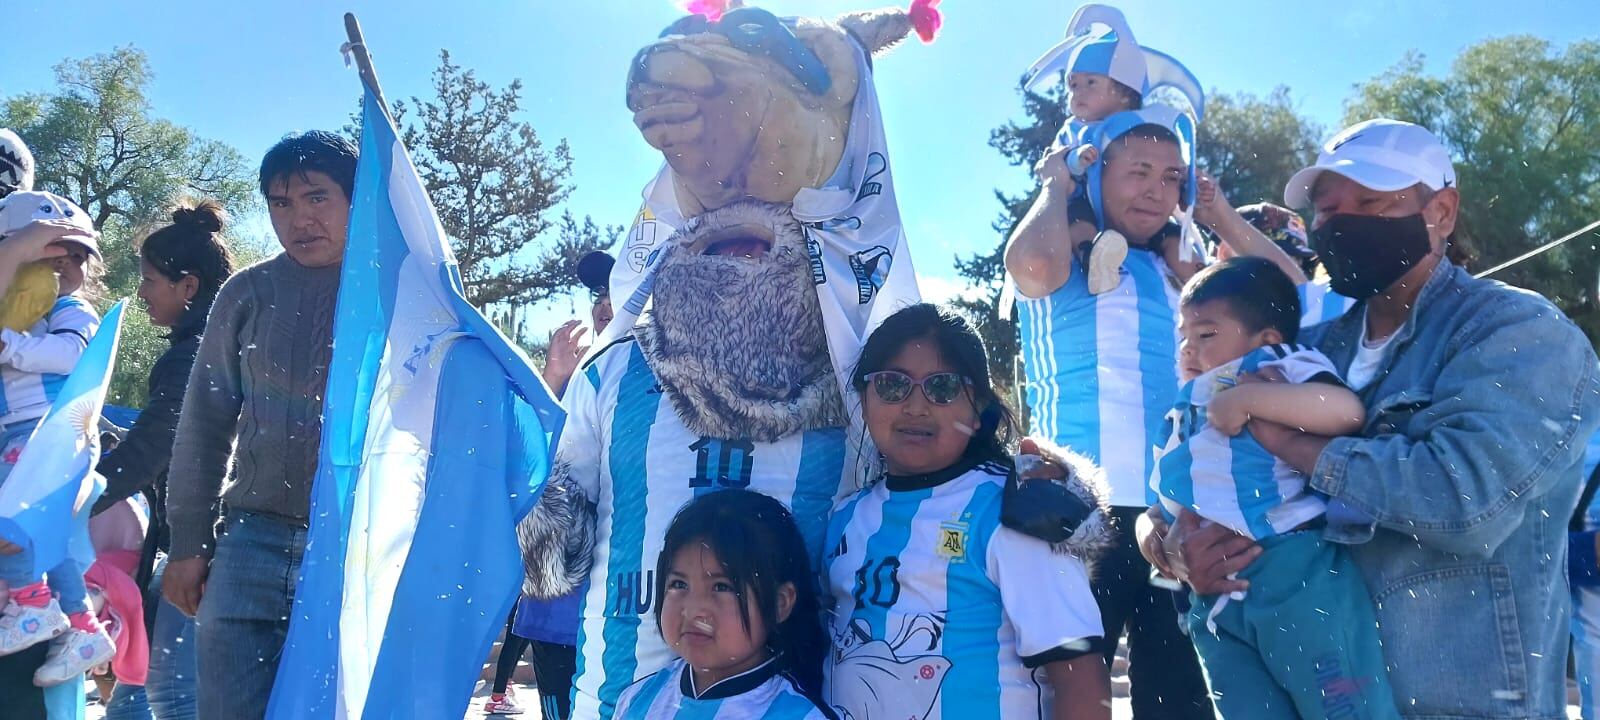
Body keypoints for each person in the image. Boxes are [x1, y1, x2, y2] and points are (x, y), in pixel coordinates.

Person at [1143, 119, 1600, 718]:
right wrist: (1173, 549)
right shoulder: (1301, 348)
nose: (1342, 222)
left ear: (1440, 210)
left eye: (1371, 202)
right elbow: (1201, 462)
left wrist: (1290, 440)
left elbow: (1466, 501)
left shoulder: (1519, 333)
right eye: (1327, 209)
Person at [1005, 105, 1309, 718]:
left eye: (1172, 177)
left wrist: (1217, 211)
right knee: (1066, 696)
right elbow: (1031, 269)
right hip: (1076, 511)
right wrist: (1056, 183)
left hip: (1175, 515)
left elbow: (1290, 292)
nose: (1157, 190)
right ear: (1099, 173)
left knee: (1178, 697)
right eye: (1138, 171)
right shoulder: (1066, 249)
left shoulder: (1185, 273)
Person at [823, 303, 1110, 720]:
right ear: (864, 401)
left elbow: (1080, 675)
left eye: (942, 388)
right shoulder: (845, 518)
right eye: (890, 385)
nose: (915, 406)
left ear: (978, 410)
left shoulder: (1012, 514)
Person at [163, 130, 356, 720]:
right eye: (281, 203)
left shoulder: (402, 292)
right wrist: (189, 543)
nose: (298, 219)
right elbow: (205, 420)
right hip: (250, 541)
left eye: (316, 197)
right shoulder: (248, 292)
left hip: (356, 546)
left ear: (357, 198)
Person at [1151, 256, 1396, 719]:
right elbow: (1160, 503)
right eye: (1183, 335)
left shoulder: (1274, 363)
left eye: (1205, 334)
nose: (1188, 348)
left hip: (1292, 568)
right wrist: (1155, 535)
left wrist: (1249, 398)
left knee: (1343, 704)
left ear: (1266, 337)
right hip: (1214, 594)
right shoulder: (1182, 408)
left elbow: (1345, 411)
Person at [92, 200, 236, 720]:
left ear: (188, 287)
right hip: (190, 549)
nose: (143, 293)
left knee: (172, 695)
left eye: (150, 280)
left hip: (201, 550)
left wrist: (79, 495)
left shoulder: (192, 354)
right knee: (135, 688)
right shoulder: (210, 346)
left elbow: (156, 446)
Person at [487, 250, 614, 718]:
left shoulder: (660, 374)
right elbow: (524, 459)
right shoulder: (575, 377)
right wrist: (553, 378)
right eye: (598, 293)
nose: (605, 301)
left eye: (617, 288)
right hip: (560, 601)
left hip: (626, 600)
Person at [0, 190, 112, 687]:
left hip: (50, 430)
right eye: (50, 253)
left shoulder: (74, 310)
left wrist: (12, 345)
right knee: (51, 537)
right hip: (25, 431)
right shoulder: (17, 309)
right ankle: (83, 626)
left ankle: (31, 602)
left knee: (10, 518)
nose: (64, 265)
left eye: (76, 256)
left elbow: (72, 357)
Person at [611, 490, 828, 719]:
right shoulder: (637, 700)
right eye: (679, 584)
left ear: (779, 604)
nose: (694, 610)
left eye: (722, 587)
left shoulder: (801, 715)